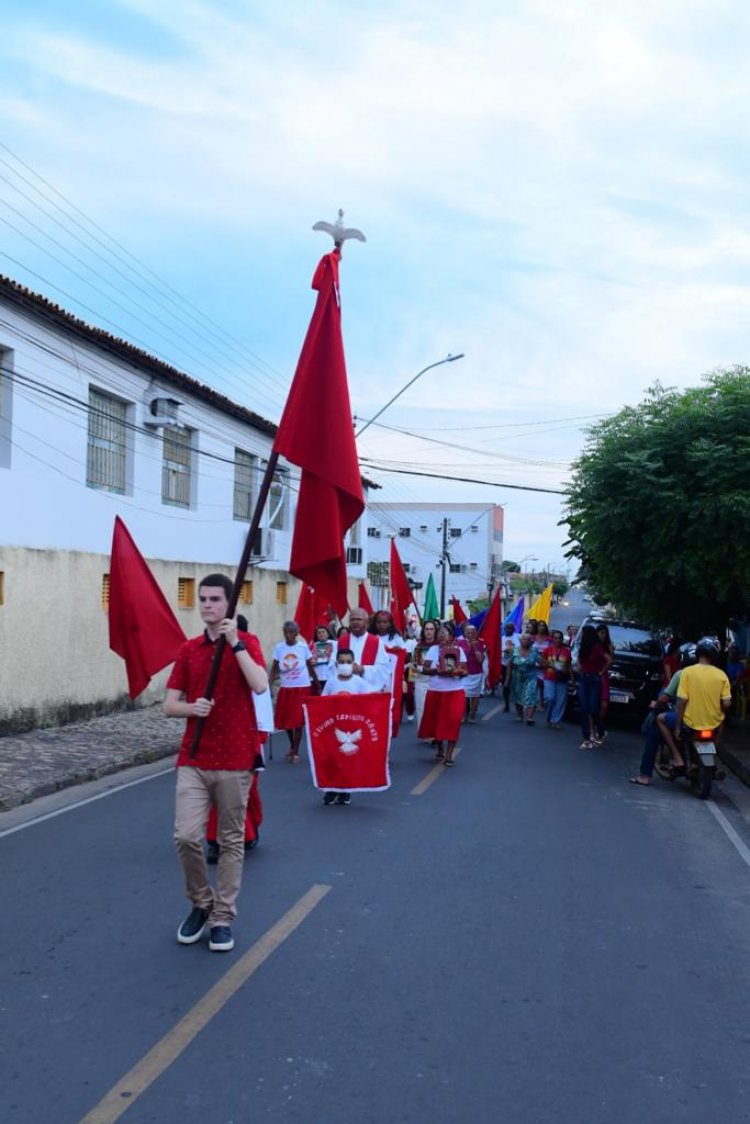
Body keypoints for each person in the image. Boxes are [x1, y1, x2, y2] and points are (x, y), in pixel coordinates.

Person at [165, 573, 268, 953]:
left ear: (230, 605)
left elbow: (259, 685)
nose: (207, 605)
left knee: (230, 841)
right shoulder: (189, 650)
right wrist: (192, 707)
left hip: (235, 759)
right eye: (203, 599)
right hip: (194, 756)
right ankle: (201, 903)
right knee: (187, 837)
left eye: (214, 600)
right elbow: (169, 705)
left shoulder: (248, 643)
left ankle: (223, 916)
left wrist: (235, 644)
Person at [320, 648, 372, 806]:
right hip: (333, 728)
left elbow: (368, 704)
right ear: (336, 664)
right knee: (332, 759)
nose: (345, 665)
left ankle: (345, 791)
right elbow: (323, 703)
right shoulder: (331, 682)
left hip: (352, 729)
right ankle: (331, 789)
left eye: (348, 662)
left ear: (353, 664)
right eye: (341, 662)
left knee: (347, 759)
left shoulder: (360, 683)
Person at [269, 621, 319, 763]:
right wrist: (269, 684)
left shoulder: (303, 647)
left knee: (298, 721)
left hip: (302, 687)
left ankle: (295, 751)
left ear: (296, 633)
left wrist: (317, 685)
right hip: (286, 688)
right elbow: (274, 668)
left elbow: (310, 667)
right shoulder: (279, 648)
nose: (288, 635)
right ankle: (292, 744)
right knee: (286, 720)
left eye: (291, 633)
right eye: (286, 633)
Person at [418, 622, 467, 766]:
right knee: (436, 722)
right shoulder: (433, 650)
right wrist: (436, 671)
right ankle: (440, 748)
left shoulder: (459, 650)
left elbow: (465, 671)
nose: (442, 635)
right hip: (436, 691)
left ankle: (449, 755)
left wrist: (458, 672)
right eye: (440, 632)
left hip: (455, 691)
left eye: (445, 632)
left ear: (452, 635)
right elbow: (424, 668)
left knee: (453, 722)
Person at [630, 669, 686, 786]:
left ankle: (645, 775)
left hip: (685, 718)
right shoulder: (718, 674)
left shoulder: (682, 674)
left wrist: (657, 705)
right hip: (707, 721)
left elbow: (666, 698)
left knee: (654, 731)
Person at [674, 637, 732, 742]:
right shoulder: (722, 675)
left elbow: (681, 701)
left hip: (690, 724)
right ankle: (715, 747)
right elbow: (727, 704)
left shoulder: (687, 672)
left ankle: (680, 758)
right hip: (714, 725)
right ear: (714, 654)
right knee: (721, 722)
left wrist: (677, 727)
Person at [335, 607, 392, 691]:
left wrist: (363, 669)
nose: (355, 622)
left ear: (366, 622)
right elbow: (333, 665)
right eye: (352, 620)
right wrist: (344, 668)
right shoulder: (341, 641)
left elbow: (384, 668)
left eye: (359, 619)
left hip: (368, 690)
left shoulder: (376, 641)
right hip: (346, 689)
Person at [576, 624, 612, 749]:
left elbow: (609, 659)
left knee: (593, 708)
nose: (581, 636)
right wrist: (580, 667)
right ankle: (586, 739)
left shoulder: (596, 647)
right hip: (584, 678)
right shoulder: (583, 647)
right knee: (584, 709)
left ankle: (600, 730)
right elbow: (579, 661)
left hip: (594, 678)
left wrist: (601, 672)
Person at [504, 633, 540, 724]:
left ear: (531, 642)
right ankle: (520, 715)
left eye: (528, 639)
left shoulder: (534, 651)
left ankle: (529, 717)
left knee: (531, 695)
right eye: (523, 639)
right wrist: (507, 679)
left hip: (530, 676)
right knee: (518, 695)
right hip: (517, 677)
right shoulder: (514, 651)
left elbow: (541, 662)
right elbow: (510, 665)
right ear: (520, 641)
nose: (525, 641)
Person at [411, 619, 439, 732]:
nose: (429, 632)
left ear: (435, 631)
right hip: (420, 681)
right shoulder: (418, 647)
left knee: (435, 709)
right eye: (427, 629)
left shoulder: (439, 647)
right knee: (421, 708)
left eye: (431, 629)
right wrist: (411, 682)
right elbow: (413, 666)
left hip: (435, 680)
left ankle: (435, 732)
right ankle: (424, 733)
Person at [541, 629, 571, 728]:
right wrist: (548, 665)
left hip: (562, 678)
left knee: (560, 700)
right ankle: (548, 717)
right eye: (556, 638)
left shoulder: (567, 652)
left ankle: (556, 720)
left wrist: (567, 674)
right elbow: (542, 662)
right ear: (552, 639)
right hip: (549, 677)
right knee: (550, 698)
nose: (557, 640)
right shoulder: (547, 650)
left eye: (559, 638)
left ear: (562, 639)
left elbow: (568, 666)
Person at [459, 623, 488, 723]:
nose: (470, 635)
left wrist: (474, 646)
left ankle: (472, 715)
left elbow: (480, 660)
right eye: (468, 633)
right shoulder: (460, 642)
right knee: (463, 695)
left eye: (472, 633)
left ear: (476, 633)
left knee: (475, 696)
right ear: (465, 633)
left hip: (476, 673)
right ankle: (463, 715)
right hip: (464, 672)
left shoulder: (481, 643)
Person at [595, 623, 615, 741]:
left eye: (604, 633)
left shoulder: (608, 646)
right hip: (594, 675)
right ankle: (593, 728)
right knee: (593, 704)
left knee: (604, 705)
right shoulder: (593, 646)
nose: (602, 635)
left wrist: (612, 652)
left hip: (603, 677)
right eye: (600, 632)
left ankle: (599, 725)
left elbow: (611, 662)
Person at [501, 622, 522, 712]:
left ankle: (519, 704)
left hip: (516, 664)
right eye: (506, 628)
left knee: (516, 685)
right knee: (505, 684)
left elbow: (521, 648)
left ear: (513, 629)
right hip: (504, 664)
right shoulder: (502, 638)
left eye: (510, 628)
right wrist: (505, 651)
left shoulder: (518, 637)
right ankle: (506, 704)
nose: (508, 630)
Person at [310, 624, 336, 692]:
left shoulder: (335, 643)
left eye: (323, 632)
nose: (321, 634)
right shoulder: (311, 646)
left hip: (331, 675)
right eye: (319, 632)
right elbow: (308, 659)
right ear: (316, 635)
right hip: (317, 676)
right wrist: (311, 662)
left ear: (328, 634)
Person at [533, 621, 550, 710]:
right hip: (534, 663)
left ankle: (541, 704)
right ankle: (533, 703)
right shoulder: (533, 638)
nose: (541, 627)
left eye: (543, 626)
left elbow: (551, 652)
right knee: (534, 684)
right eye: (540, 625)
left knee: (542, 685)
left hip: (544, 663)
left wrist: (545, 662)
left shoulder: (549, 639)